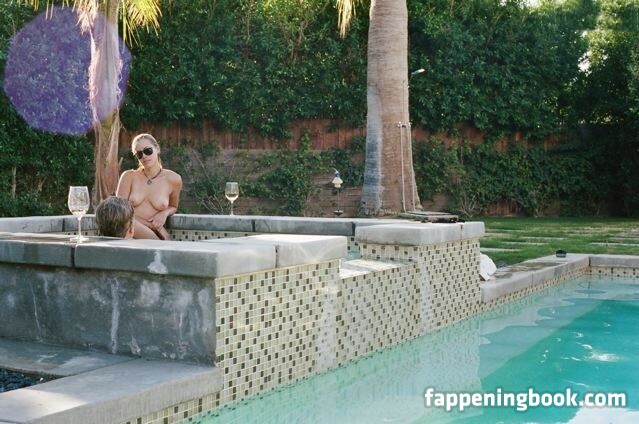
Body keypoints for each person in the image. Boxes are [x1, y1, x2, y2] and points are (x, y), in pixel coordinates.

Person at [116, 133, 182, 240]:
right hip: (130, 232)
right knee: (127, 221)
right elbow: (119, 212)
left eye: (148, 151)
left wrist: (164, 213)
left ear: (157, 149)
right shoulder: (129, 176)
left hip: (153, 233)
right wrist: (151, 226)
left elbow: (173, 206)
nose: (144, 156)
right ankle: (160, 244)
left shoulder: (174, 179)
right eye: (139, 154)